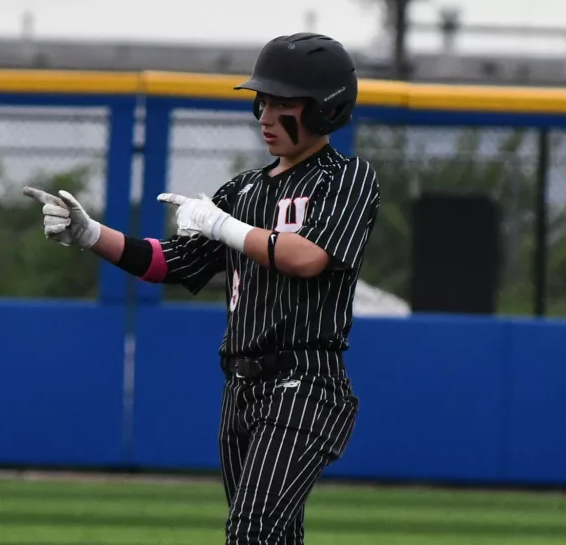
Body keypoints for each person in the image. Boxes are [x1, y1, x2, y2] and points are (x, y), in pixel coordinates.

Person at [24, 32, 381, 545]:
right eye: (262, 101)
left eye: (281, 103)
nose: (264, 115)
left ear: (326, 107)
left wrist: (221, 225)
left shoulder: (346, 178)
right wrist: (92, 234)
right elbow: (170, 263)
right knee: (273, 536)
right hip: (241, 387)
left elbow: (308, 258)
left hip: (305, 383)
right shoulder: (243, 189)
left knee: (252, 530)